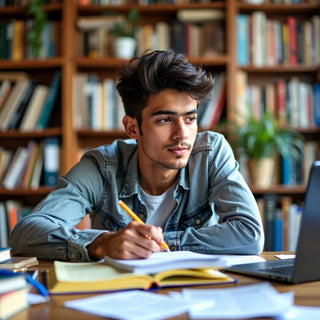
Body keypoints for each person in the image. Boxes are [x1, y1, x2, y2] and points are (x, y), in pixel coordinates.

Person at [10, 50, 264, 261]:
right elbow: (26, 233)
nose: (182, 134)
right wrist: (102, 243)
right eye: (165, 119)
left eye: (190, 118)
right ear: (133, 127)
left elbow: (249, 234)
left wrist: (162, 244)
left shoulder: (210, 152)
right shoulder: (102, 166)